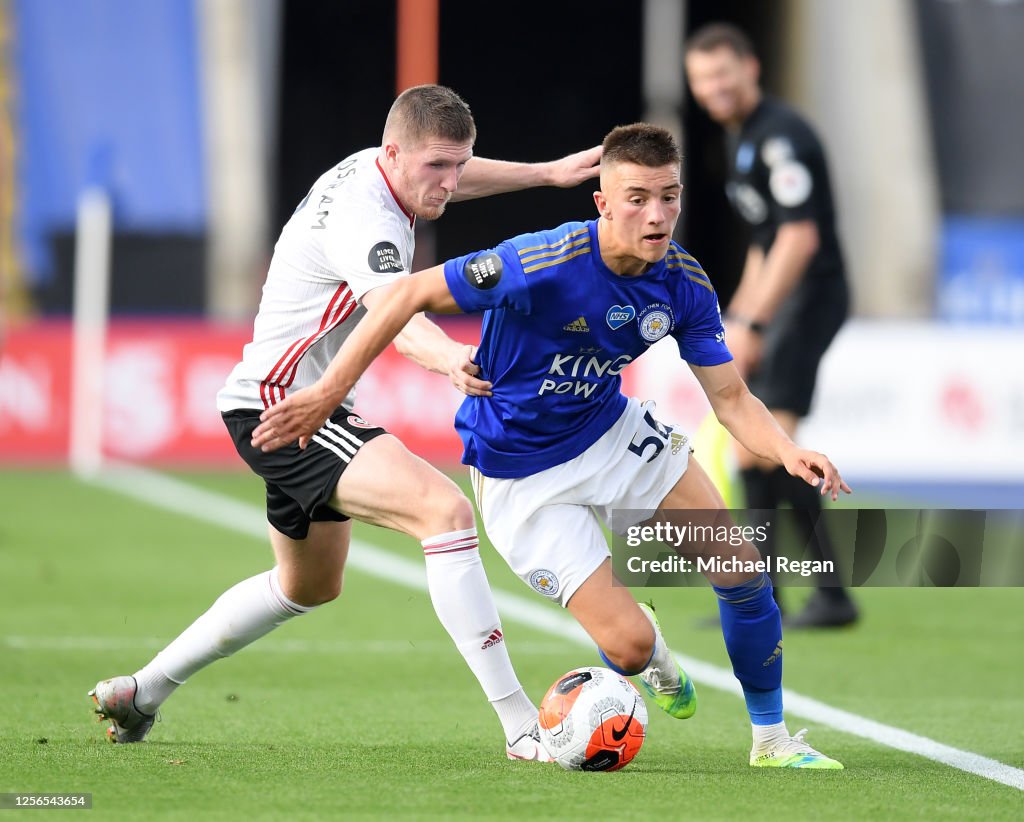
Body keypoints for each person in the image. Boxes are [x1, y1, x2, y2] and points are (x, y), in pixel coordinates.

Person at [252, 123, 851, 769]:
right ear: (601, 203)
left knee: (741, 568)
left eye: (669, 197)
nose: (657, 215)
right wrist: (328, 390)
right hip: (520, 474)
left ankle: (771, 739)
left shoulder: (682, 281)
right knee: (626, 650)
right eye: (637, 198)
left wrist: (786, 450)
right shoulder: (538, 263)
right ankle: (651, 651)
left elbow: (730, 397)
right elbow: (407, 295)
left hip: (610, 431)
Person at [89, 84, 603, 761]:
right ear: (396, 154)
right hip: (285, 405)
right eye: (436, 170)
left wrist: (545, 173)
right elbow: (396, 315)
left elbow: (447, 168)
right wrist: (450, 358)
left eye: (459, 166)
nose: (449, 185)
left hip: (285, 399)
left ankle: (140, 692)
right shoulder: (367, 220)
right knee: (444, 514)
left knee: (307, 586)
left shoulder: (385, 163)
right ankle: (519, 727)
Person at [684, 23, 858, 628]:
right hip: (784, 303)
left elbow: (798, 237)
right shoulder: (743, 141)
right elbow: (764, 244)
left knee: (770, 448)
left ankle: (812, 597)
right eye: (702, 79)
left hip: (809, 299)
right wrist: (736, 320)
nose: (714, 88)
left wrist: (755, 321)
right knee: (754, 452)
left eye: (722, 73)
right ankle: (791, 597)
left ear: (751, 68)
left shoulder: (782, 137)